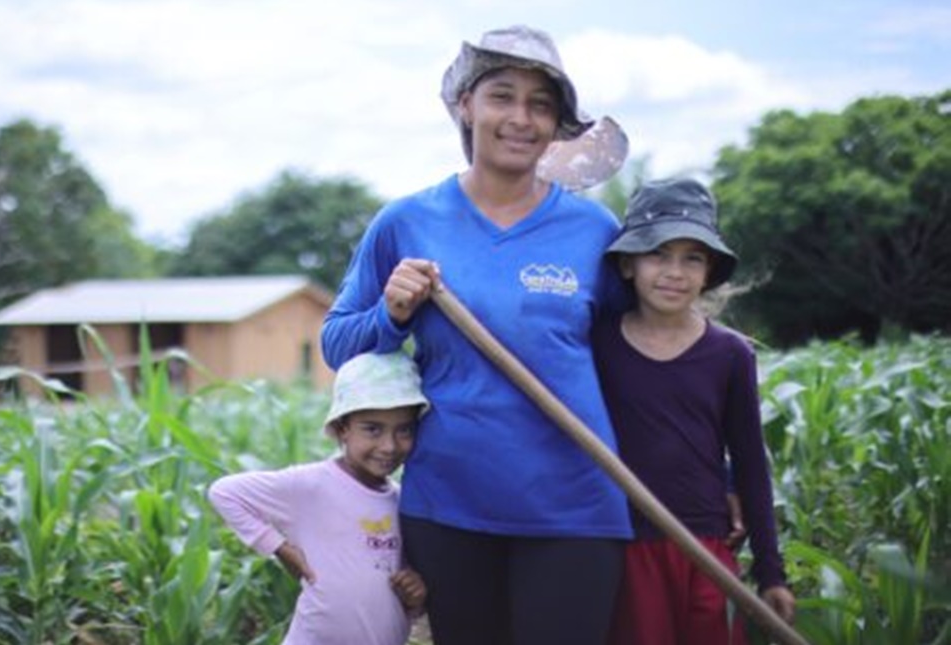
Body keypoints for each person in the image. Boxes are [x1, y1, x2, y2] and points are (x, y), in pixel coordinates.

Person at [322, 25, 633, 645]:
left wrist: (714, 476)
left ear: (555, 125)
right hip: (451, 508)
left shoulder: (594, 230)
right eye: (502, 96)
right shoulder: (406, 222)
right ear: (466, 105)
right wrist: (391, 314)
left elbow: (638, 366)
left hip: (576, 508)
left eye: (540, 104)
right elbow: (337, 346)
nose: (521, 118)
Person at [591, 177, 796, 644]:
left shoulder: (729, 354)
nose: (675, 271)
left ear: (709, 271)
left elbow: (749, 463)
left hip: (706, 546)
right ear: (627, 264)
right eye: (658, 254)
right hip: (627, 544)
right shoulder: (599, 343)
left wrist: (771, 573)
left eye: (692, 258)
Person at [207, 351, 430, 645]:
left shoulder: (403, 502)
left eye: (404, 431)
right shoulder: (312, 485)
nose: (388, 446)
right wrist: (280, 548)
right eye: (373, 429)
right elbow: (225, 493)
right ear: (342, 430)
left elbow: (399, 591)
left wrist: (415, 596)